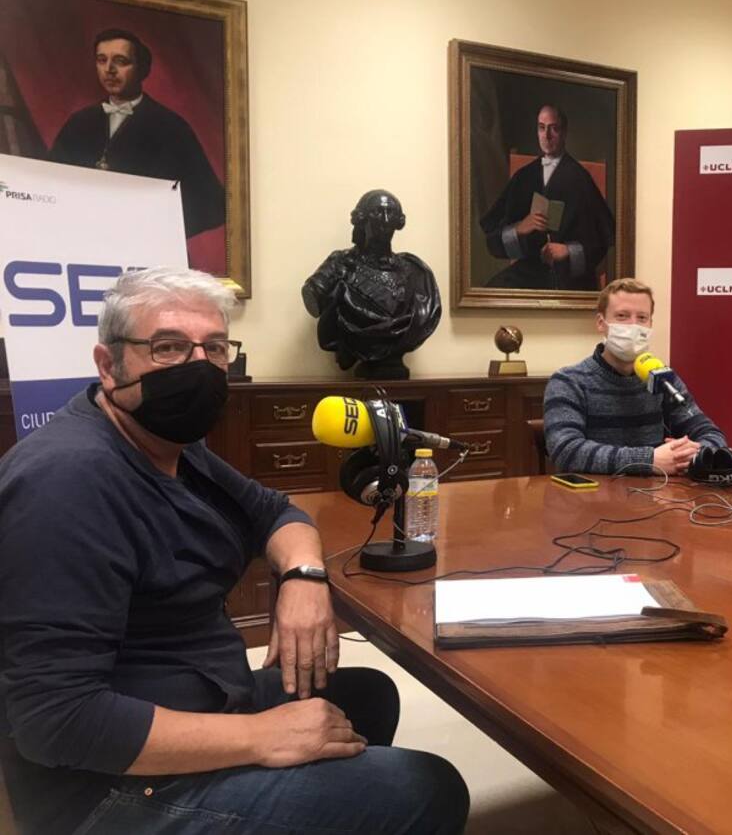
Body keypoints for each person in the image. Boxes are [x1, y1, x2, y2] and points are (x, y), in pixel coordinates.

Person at [0, 268, 468, 835]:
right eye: (168, 347)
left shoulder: (169, 446)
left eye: (215, 348)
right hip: (105, 787)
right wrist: (261, 737)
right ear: (108, 364)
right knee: (424, 786)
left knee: (366, 695)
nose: (199, 366)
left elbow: (277, 513)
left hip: (193, 692)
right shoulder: (67, 482)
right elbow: (57, 722)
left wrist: (303, 578)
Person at [48, 28, 226, 238]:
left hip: (146, 244)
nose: (109, 69)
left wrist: (154, 227)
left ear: (142, 69)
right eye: (102, 60)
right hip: (84, 239)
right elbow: (51, 186)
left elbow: (211, 205)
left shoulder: (172, 127)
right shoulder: (78, 123)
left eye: (121, 61)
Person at [543, 278, 727, 474]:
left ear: (650, 324)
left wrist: (695, 453)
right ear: (601, 323)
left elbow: (712, 434)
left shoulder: (664, 379)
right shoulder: (568, 382)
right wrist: (649, 460)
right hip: (596, 492)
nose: (633, 326)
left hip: (658, 491)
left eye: (642, 318)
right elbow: (566, 451)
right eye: (622, 316)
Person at [302, 189, 442, 378]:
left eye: (390, 212)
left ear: (399, 221)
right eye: (377, 212)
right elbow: (313, 298)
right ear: (362, 218)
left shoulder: (416, 271)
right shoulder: (339, 264)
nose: (385, 220)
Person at [479, 104, 613, 290]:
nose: (546, 135)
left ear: (564, 133)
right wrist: (520, 228)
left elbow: (602, 240)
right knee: (492, 291)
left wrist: (567, 251)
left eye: (553, 128)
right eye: (542, 128)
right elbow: (493, 237)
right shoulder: (523, 176)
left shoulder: (580, 178)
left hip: (570, 276)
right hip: (531, 270)